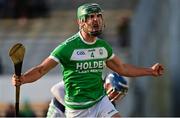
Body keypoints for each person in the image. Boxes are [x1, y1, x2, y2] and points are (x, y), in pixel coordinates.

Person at [12, 3, 164, 117]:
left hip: (100, 101)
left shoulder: (103, 47)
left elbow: (122, 68)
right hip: (78, 109)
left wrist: (150, 71)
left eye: (98, 16)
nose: (96, 20)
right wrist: (23, 79)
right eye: (91, 17)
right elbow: (41, 69)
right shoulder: (67, 48)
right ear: (81, 22)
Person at [46, 72, 129, 117]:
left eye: (119, 95)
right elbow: (56, 89)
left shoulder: (110, 104)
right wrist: (71, 107)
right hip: (59, 109)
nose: (115, 97)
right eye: (115, 92)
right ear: (107, 85)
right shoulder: (90, 82)